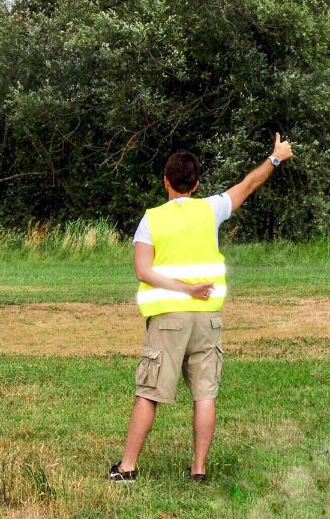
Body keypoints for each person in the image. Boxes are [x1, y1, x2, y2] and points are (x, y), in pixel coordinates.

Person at [108, 134, 294, 483]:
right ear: (196, 183)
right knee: (204, 393)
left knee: (149, 392)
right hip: (207, 320)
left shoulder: (152, 220)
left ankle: (128, 467)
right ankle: (198, 471)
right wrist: (275, 157)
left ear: (166, 181)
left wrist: (184, 289)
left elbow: (143, 270)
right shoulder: (211, 209)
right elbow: (249, 183)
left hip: (167, 321)